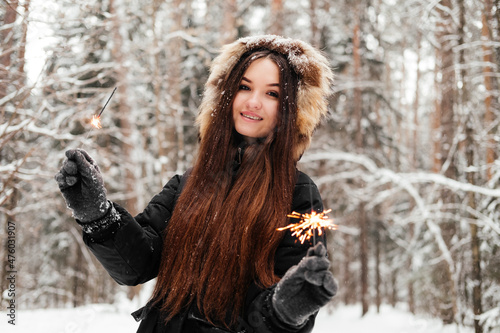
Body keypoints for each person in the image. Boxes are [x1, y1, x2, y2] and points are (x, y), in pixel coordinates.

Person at [55, 35, 337, 333]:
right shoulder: (187, 183)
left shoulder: (298, 194)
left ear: (291, 109)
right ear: (226, 95)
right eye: (244, 87)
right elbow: (136, 265)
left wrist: (284, 308)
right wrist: (98, 215)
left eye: (273, 94)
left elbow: (284, 303)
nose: (253, 101)